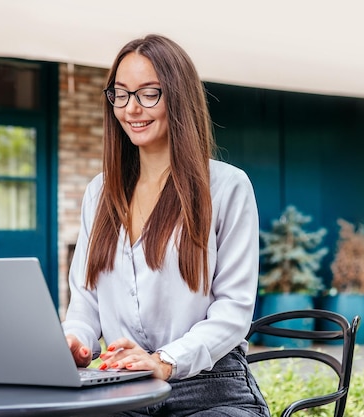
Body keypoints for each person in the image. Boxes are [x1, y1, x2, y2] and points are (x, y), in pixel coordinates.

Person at [62, 34, 270, 417]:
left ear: (178, 96)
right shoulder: (101, 192)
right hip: (123, 385)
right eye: (120, 94)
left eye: (148, 93)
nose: (131, 109)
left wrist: (166, 360)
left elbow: (233, 312)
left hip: (210, 388)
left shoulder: (226, 187)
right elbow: (85, 303)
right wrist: (75, 340)